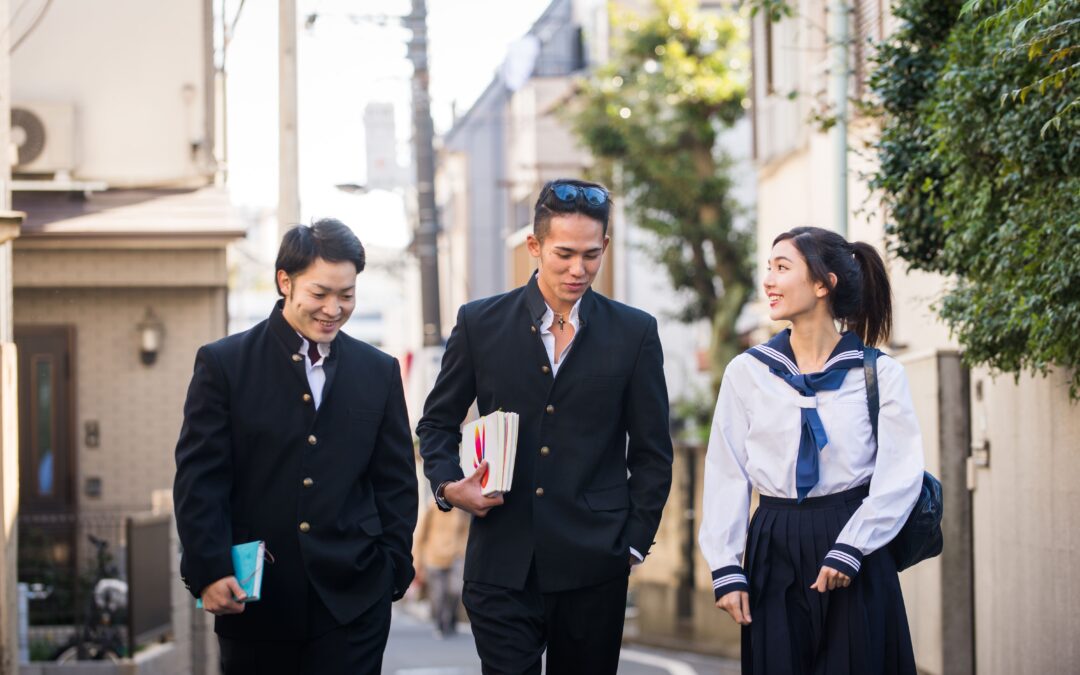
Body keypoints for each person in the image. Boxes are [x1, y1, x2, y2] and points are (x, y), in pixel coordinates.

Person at [417, 178, 674, 675]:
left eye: (591, 255)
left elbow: (651, 452)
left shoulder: (635, 332)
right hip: (501, 561)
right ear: (534, 246)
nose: (578, 269)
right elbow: (436, 422)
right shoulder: (480, 323)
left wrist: (635, 542)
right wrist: (450, 486)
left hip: (595, 561)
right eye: (564, 254)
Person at [173, 219, 418, 675]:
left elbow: (396, 482)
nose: (334, 308)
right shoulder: (224, 365)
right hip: (256, 598)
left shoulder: (377, 371)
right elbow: (200, 479)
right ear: (285, 281)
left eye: (347, 295)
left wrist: (392, 566)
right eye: (320, 293)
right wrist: (209, 569)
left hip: (356, 597)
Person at [699, 225, 924, 674]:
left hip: (853, 542)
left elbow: (900, 475)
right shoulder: (747, 373)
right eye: (769, 268)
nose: (768, 281)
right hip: (773, 541)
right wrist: (726, 567)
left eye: (783, 268)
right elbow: (727, 471)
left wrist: (853, 547)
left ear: (824, 284)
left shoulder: (877, 374)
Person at [413, 500, 469, 638]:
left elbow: (466, 532)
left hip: (455, 556)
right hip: (433, 556)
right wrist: (417, 561)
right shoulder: (432, 508)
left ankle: (451, 619)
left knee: (455, 590)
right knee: (438, 594)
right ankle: (440, 624)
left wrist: (463, 551)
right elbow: (421, 535)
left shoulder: (460, 509)